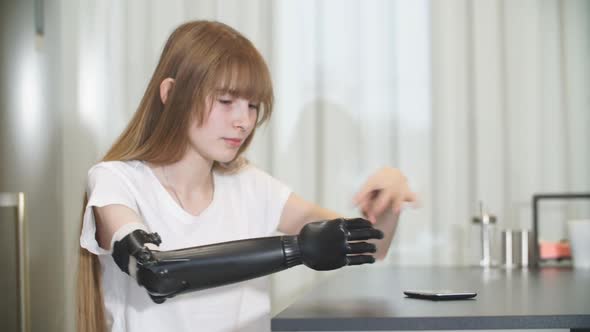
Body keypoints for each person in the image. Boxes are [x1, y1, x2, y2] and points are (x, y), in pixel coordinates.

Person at [77, 20, 416, 332]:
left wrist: (390, 197)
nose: (244, 120)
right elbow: (154, 270)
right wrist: (297, 249)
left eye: (252, 105)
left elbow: (371, 245)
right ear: (170, 94)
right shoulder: (115, 182)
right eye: (226, 101)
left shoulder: (251, 186)